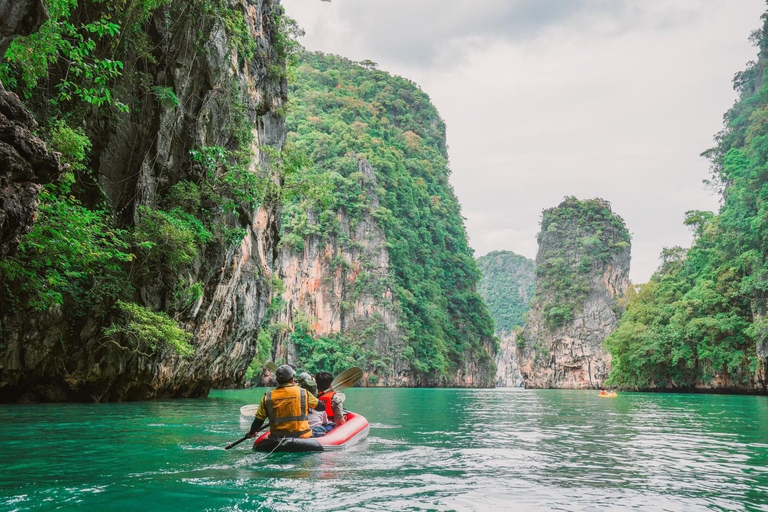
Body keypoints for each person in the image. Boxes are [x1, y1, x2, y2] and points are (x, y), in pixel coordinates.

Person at [246, 365, 325, 439]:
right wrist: (310, 402)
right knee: (321, 429)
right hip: (302, 436)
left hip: (276, 437)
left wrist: (251, 432)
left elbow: (258, 421)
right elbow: (322, 407)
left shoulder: (268, 397)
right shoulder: (303, 393)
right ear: (292, 379)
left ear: (277, 380)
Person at [296, 372, 335, 437]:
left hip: (297, 431)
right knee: (329, 425)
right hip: (312, 433)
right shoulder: (319, 405)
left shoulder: (294, 403)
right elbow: (324, 422)